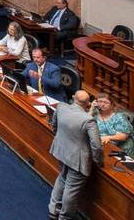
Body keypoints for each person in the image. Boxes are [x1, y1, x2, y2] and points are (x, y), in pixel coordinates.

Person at [48, 90, 102, 220]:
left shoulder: (61, 107)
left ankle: (53, 209)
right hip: (77, 160)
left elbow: (53, 126)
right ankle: (65, 217)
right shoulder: (88, 120)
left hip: (61, 151)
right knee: (71, 189)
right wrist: (98, 161)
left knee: (61, 178)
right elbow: (97, 146)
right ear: (88, 104)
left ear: (73, 98)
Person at [92, 91, 134, 159]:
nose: (102, 104)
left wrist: (108, 137)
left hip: (121, 150)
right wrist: (91, 108)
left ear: (112, 105)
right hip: (103, 147)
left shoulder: (119, 117)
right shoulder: (95, 114)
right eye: (100, 101)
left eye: (106, 102)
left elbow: (123, 136)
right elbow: (85, 123)